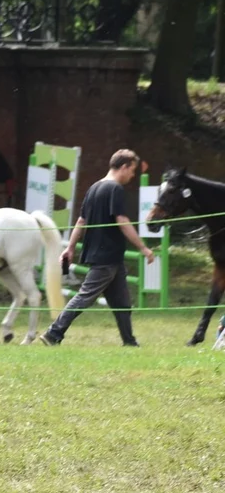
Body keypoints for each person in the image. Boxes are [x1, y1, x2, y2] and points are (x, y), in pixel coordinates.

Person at [39, 149, 154, 347]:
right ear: (124, 167)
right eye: (132, 170)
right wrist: (143, 247)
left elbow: (81, 221)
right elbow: (122, 221)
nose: (132, 175)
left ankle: (129, 342)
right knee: (85, 296)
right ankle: (53, 333)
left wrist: (71, 248)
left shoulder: (94, 188)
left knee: (122, 303)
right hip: (106, 256)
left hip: (110, 257)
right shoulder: (115, 189)